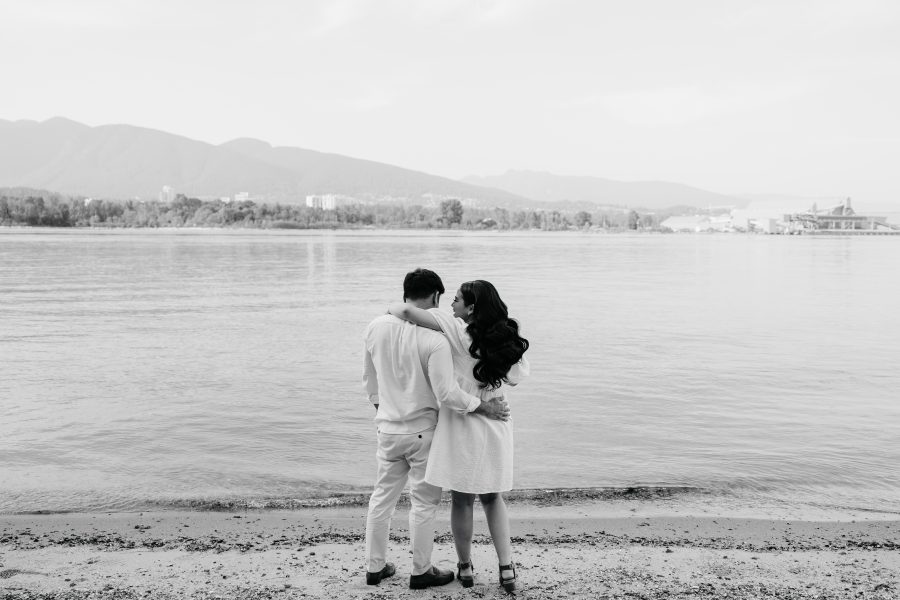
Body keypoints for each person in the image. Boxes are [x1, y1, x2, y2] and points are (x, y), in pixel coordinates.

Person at [363, 268, 511, 590]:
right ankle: (420, 571)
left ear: (406, 292)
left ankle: (374, 568)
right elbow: (447, 393)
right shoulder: (436, 338)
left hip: (387, 429)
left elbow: (370, 383)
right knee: (424, 504)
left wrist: (384, 411)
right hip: (423, 430)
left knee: (381, 499)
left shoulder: (374, 327)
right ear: (435, 297)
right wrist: (482, 406)